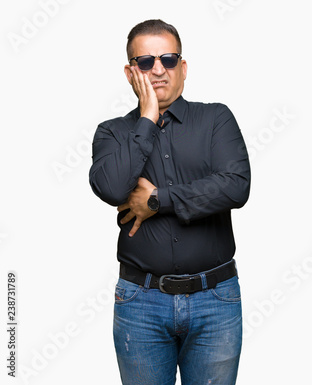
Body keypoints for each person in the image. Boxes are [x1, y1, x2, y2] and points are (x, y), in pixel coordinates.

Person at [89, 19, 250, 385]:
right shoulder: (112, 132)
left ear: (184, 67)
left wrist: (158, 200)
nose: (158, 69)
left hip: (216, 300)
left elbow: (235, 186)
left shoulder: (216, 119)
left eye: (168, 59)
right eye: (144, 62)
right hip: (140, 303)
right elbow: (113, 188)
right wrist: (147, 117)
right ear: (131, 73)